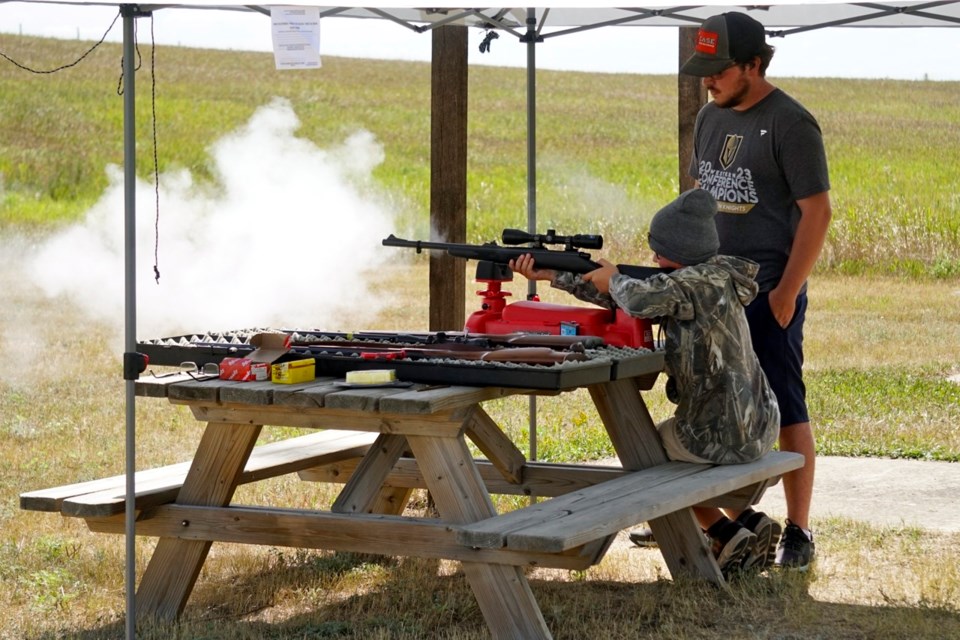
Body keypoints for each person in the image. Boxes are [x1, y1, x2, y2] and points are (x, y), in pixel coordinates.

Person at [510, 188, 782, 577]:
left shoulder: (684, 285)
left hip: (718, 433)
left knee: (646, 451)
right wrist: (557, 274)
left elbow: (636, 299)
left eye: (659, 250)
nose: (653, 258)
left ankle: (720, 531)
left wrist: (615, 277)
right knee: (671, 447)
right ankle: (749, 522)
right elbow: (635, 296)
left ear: (683, 251)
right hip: (757, 424)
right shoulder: (716, 277)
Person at [680, 11, 833, 571]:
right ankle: (720, 521)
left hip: (770, 292)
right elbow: (699, 199)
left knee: (786, 404)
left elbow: (817, 212)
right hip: (711, 292)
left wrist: (787, 293)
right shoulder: (708, 119)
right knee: (704, 402)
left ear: (753, 64)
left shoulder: (792, 124)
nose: (708, 80)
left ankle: (798, 531)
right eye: (704, 70)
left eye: (718, 70)